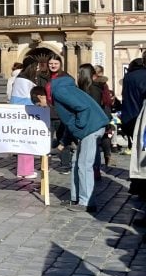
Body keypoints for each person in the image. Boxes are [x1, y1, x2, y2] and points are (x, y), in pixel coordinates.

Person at [42, 71, 109, 212]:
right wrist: (62, 144)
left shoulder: (59, 91)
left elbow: (82, 108)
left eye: (38, 102)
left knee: (85, 164)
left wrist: (80, 128)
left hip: (91, 128)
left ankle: (87, 202)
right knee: (76, 162)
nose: (41, 106)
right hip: (91, 127)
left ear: (42, 95)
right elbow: (70, 121)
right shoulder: (64, 89)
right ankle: (76, 198)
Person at [39, 54, 74, 173]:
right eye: (51, 64)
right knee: (45, 140)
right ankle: (45, 164)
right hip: (46, 112)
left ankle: (65, 164)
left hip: (61, 113)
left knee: (63, 139)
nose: (53, 66)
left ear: (60, 64)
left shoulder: (66, 77)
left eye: (55, 63)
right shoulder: (43, 77)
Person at [9, 58, 39, 178]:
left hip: (21, 113)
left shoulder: (20, 79)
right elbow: (27, 99)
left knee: (24, 142)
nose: (37, 69)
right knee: (27, 142)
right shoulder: (25, 81)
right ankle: (26, 171)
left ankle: (25, 170)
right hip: (26, 113)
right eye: (36, 67)